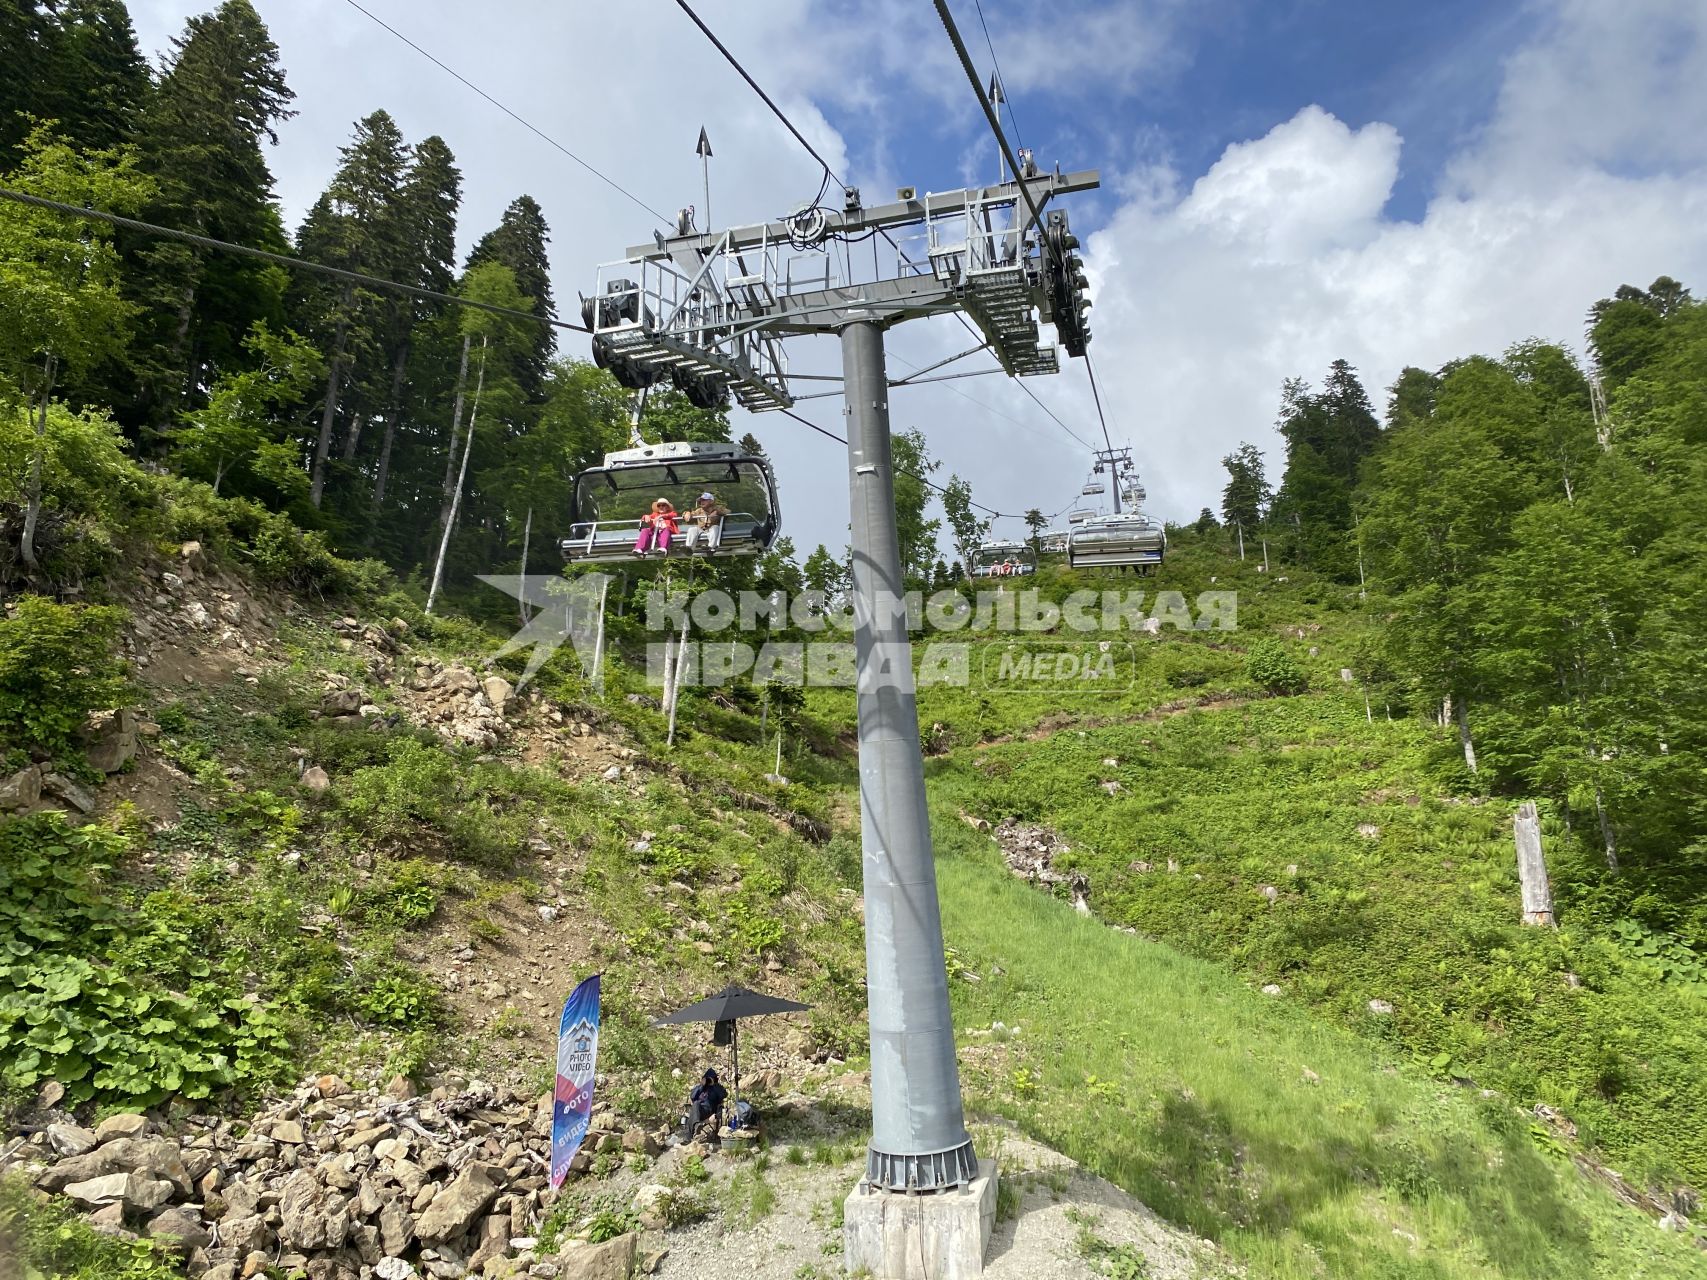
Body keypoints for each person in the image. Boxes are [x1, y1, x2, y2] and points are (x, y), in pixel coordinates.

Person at [681, 1067, 727, 1140]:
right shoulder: (701, 1088)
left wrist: (714, 1084)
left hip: (709, 1111)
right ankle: (696, 1125)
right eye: (707, 1079)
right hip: (698, 1110)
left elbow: (723, 1095)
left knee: (694, 1110)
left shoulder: (717, 1087)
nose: (708, 1081)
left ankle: (688, 1137)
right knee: (696, 1104)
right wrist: (701, 1085)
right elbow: (692, 1096)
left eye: (710, 1079)